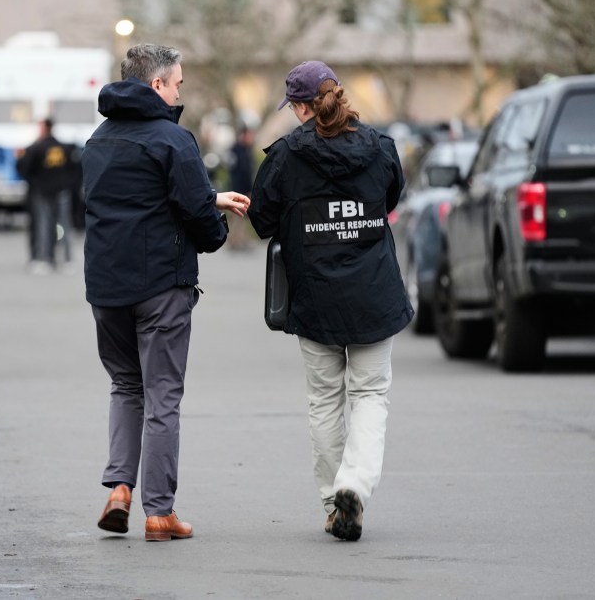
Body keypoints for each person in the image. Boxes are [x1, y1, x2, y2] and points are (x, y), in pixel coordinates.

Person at [83, 43, 250, 542]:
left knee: (125, 386)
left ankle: (119, 489)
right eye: (177, 82)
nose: (180, 90)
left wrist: (204, 197)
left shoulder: (97, 140)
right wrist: (215, 224)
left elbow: (130, 201)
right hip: (160, 285)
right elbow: (197, 216)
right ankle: (159, 511)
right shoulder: (174, 140)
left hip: (106, 285)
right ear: (156, 84)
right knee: (162, 396)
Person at [247, 61, 412, 541]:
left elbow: (262, 221)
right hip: (373, 295)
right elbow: (390, 199)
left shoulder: (284, 157)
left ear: (300, 108)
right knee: (370, 395)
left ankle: (332, 501)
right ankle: (354, 486)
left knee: (324, 401)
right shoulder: (380, 149)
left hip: (315, 296)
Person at [16, 118, 73, 274]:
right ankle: (67, 261)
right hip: (62, 191)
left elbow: (23, 168)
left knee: (44, 227)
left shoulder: (36, 148)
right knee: (64, 227)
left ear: (44, 128)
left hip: (43, 193)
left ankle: (45, 260)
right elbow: (74, 169)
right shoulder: (64, 147)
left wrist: (35, 183)